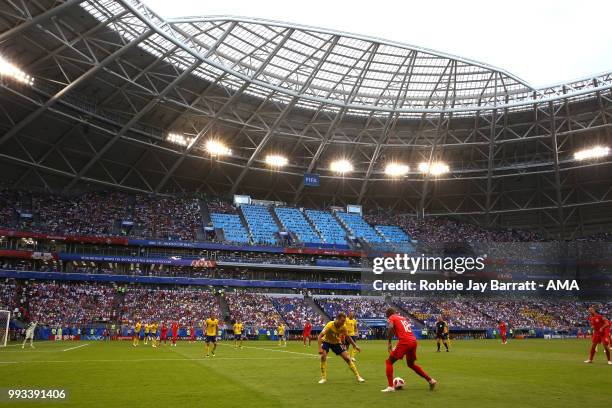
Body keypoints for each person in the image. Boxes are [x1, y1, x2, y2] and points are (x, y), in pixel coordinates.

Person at [381, 308, 437, 393]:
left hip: (405, 342)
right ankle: (430, 380)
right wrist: (397, 346)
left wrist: (389, 343)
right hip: (413, 341)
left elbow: (391, 328)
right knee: (411, 364)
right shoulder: (402, 318)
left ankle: (390, 386)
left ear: (388, 315)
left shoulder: (391, 317)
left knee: (389, 362)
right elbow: (405, 333)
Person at [317, 312, 364, 384]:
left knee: (347, 358)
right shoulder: (330, 324)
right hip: (326, 342)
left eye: (344, 321)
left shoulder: (343, 327)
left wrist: (355, 346)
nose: (343, 323)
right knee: (323, 356)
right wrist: (319, 348)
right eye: (342, 321)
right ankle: (323, 378)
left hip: (336, 343)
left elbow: (347, 337)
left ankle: (358, 376)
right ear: (337, 319)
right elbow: (320, 336)